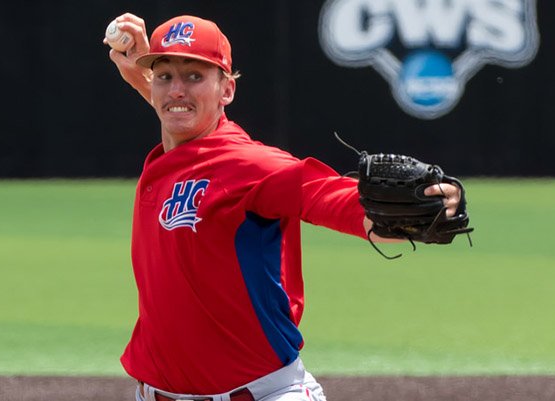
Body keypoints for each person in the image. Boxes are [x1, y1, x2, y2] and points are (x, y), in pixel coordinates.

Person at [105, 13, 463, 401]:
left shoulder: (250, 166)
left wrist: (402, 214)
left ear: (227, 90)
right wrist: (141, 75)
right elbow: (179, 114)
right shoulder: (172, 157)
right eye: (165, 76)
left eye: (195, 76)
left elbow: (321, 194)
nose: (176, 90)